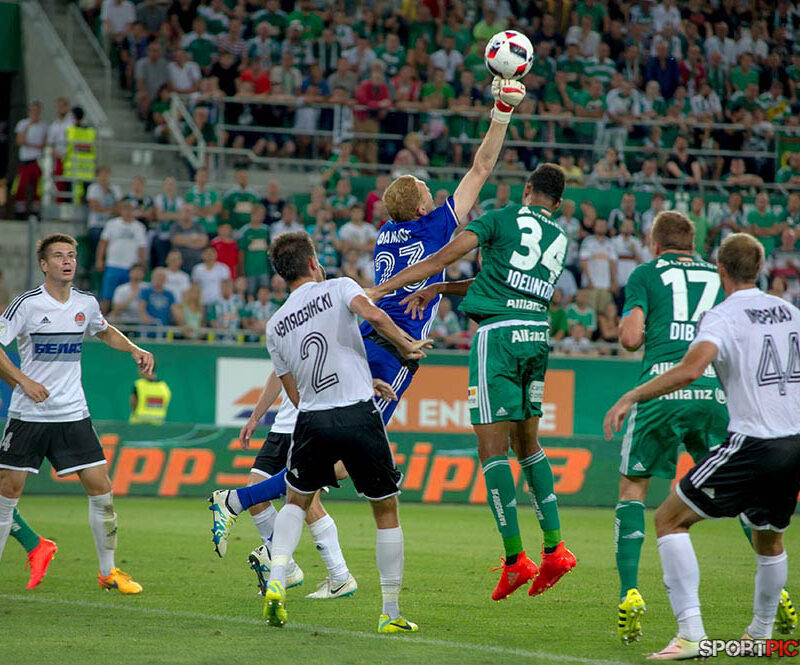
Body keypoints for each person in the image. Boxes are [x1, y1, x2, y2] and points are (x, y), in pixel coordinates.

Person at [207, 74, 531, 595]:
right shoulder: (433, 227)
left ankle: (304, 561)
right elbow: (482, 168)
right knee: (337, 463)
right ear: (425, 208)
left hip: (370, 345)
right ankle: (239, 503)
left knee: (332, 462)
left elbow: (426, 278)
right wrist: (501, 113)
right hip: (388, 353)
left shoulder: (388, 233)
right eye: (428, 190)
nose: (435, 191)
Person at [368, 163, 577, 602]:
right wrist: (441, 292)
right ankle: (556, 548)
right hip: (536, 337)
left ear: (525, 189)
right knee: (528, 445)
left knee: (491, 450)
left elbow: (440, 259)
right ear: (557, 203)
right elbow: (495, 281)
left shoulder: (501, 218)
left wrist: (383, 290)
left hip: (497, 338)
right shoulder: (559, 236)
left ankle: (516, 559)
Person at [209, 232, 431, 632]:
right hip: (358, 414)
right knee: (385, 509)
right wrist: (407, 344)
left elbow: (294, 393)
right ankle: (391, 614)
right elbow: (376, 316)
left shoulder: (275, 326)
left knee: (295, 502)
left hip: (311, 419)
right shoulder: (340, 287)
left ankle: (277, 579)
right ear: (313, 262)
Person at [604, 233, 800, 659]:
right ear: (762, 267)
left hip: (752, 442)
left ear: (722, 271)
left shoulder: (723, 315)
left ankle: (691, 633)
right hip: (793, 443)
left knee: (669, 519)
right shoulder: (790, 312)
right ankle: (760, 636)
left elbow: (692, 369)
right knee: (770, 540)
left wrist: (632, 396)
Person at [0, 233, 153, 593]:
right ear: (44, 265)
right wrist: (23, 381)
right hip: (29, 415)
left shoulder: (86, 303)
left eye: (71, 255)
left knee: (102, 489)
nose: (67, 261)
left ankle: (108, 571)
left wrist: (133, 348)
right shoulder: (26, 305)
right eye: (58, 256)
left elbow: (103, 330)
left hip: (72, 414)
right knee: (8, 492)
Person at [95, 198, 148, 314]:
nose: (128, 211)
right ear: (121, 210)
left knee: (127, 295)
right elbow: (103, 242)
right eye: (125, 208)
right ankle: (102, 321)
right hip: (113, 264)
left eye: (131, 209)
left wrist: (142, 265)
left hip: (130, 266)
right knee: (107, 295)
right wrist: (99, 259)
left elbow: (142, 247)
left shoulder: (139, 227)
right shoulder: (112, 224)